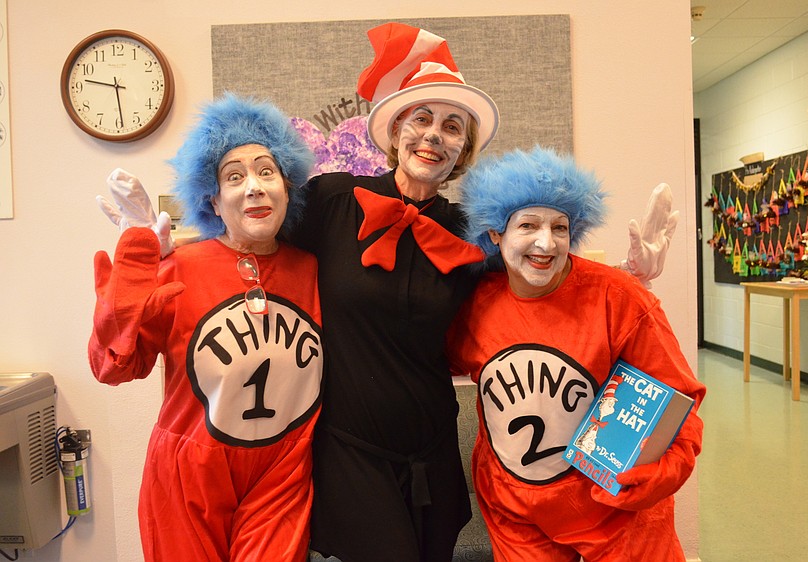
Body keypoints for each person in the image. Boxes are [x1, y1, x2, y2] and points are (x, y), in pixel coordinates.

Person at [96, 24, 678, 562]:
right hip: (350, 448)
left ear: (462, 150)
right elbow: (248, 233)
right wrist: (159, 247)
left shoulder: (468, 232)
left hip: (431, 442)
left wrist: (630, 280)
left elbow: (534, 285)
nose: (434, 135)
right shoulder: (331, 201)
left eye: (452, 128)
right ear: (396, 131)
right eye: (421, 119)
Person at [88, 94, 323, 562]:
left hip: (282, 471)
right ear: (212, 199)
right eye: (234, 176)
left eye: (266, 171)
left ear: (288, 187)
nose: (253, 187)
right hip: (187, 473)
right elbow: (113, 367)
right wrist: (136, 270)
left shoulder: (316, 270)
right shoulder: (179, 266)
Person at [446, 146, 706, 562]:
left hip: (616, 515)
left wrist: (645, 478)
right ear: (496, 234)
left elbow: (679, 406)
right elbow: (417, 355)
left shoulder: (620, 299)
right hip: (518, 512)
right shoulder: (473, 305)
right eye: (528, 225)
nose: (546, 243)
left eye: (560, 228)